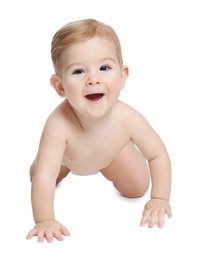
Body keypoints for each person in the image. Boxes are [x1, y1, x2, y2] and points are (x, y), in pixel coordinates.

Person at [26, 18, 172, 243]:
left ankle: (119, 153)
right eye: (78, 71)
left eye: (104, 68)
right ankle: (53, 162)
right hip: (69, 157)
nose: (93, 79)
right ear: (60, 86)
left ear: (122, 76)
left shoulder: (127, 118)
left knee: (137, 189)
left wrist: (160, 198)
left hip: (113, 153)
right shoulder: (58, 125)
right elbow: (45, 177)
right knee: (40, 176)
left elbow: (158, 154)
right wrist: (44, 220)